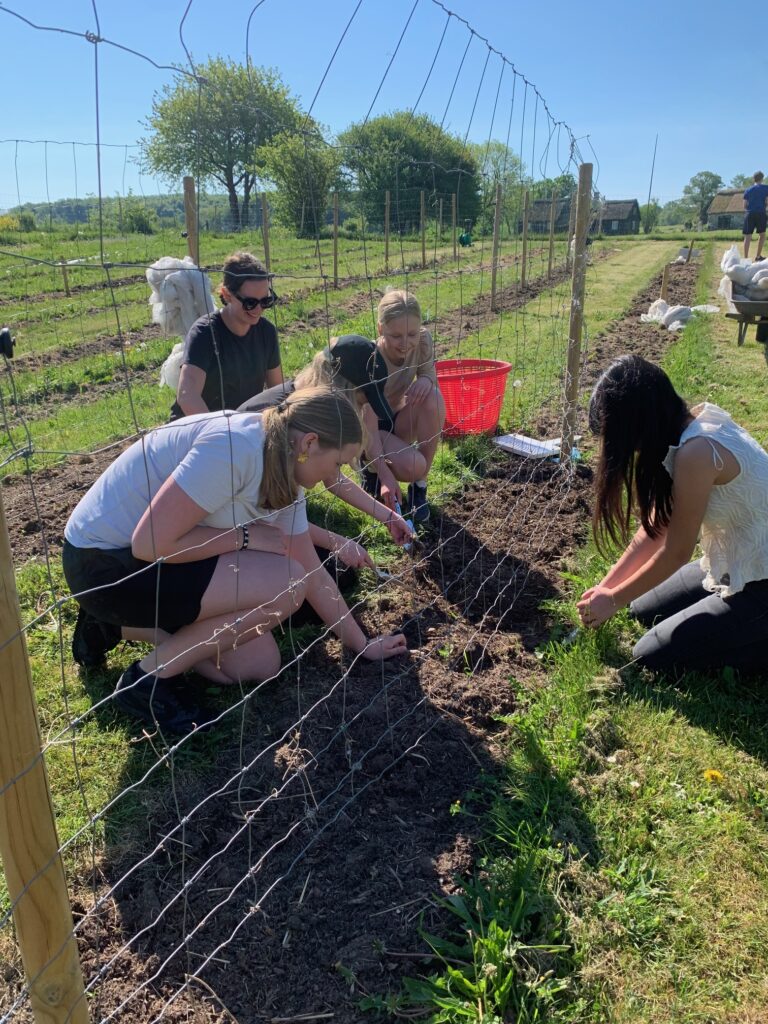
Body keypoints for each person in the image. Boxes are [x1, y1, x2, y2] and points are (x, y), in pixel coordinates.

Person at [64, 387, 407, 734]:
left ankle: (114, 625)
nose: (331, 477)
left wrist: (363, 645)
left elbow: (315, 575)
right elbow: (148, 544)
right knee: (287, 583)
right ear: (309, 444)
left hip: (150, 565)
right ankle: (145, 682)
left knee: (259, 664)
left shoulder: (283, 466)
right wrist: (244, 538)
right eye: (336, 464)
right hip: (103, 565)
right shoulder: (234, 450)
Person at [577, 355, 768, 674]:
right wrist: (607, 589)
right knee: (639, 609)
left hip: (763, 581)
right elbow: (658, 524)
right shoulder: (687, 430)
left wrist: (612, 601)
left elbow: (677, 551)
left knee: (650, 654)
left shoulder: (697, 452)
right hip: (741, 560)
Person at [237, 334, 415, 547]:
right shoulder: (287, 420)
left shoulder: (310, 407)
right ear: (342, 390)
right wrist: (337, 543)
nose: (361, 411)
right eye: (361, 403)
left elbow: (332, 478)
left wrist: (388, 517)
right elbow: (272, 519)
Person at [362, 289, 446, 523]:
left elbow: (429, 373)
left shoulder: (422, 341)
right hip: (369, 430)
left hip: (397, 419)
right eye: (396, 335)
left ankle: (419, 487)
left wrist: (427, 381)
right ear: (380, 329)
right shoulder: (370, 359)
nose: (405, 343)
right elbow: (366, 422)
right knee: (413, 465)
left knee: (434, 397)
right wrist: (384, 472)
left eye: (411, 333)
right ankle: (370, 470)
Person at [169, 251, 283, 420]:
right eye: (250, 303)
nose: (259, 310)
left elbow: (278, 391)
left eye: (266, 301)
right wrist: (222, 432)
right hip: (198, 426)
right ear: (227, 294)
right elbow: (187, 395)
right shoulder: (205, 333)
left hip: (239, 424)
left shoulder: (266, 332)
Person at [742, 171, 768, 261]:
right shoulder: (766, 188)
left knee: (748, 236)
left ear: (754, 179)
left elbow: (744, 205)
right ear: (762, 178)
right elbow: (766, 201)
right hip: (761, 213)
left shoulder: (748, 190)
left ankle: (745, 258)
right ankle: (758, 256)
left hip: (749, 213)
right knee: (762, 235)